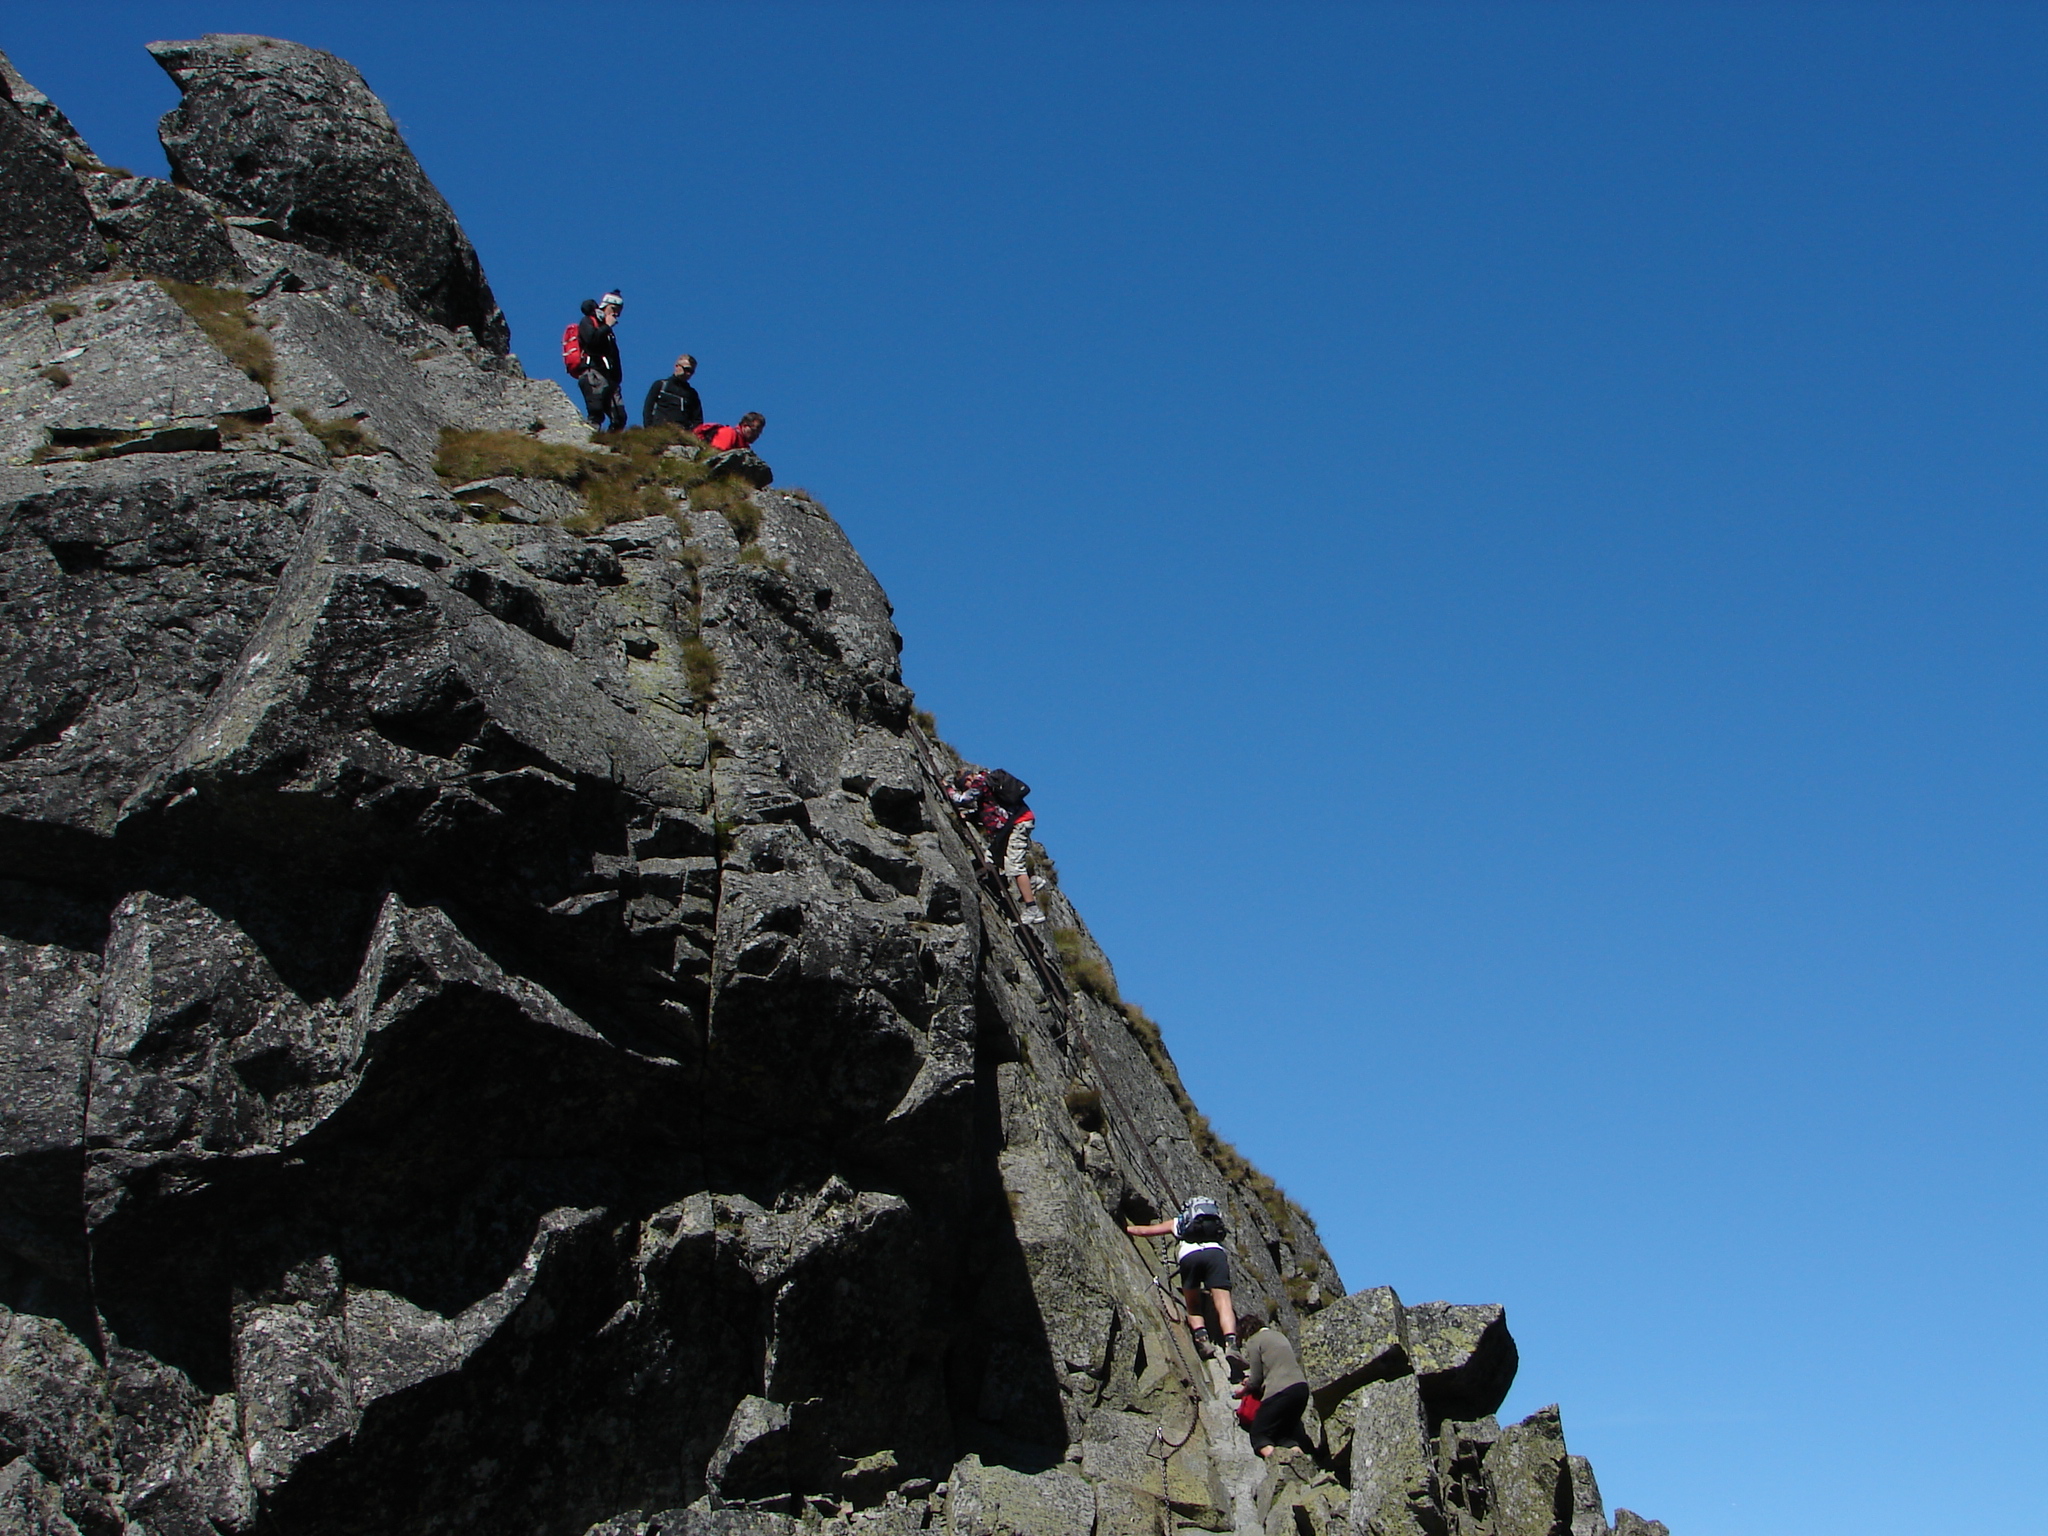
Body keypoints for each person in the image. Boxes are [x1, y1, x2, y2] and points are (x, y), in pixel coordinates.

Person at [1124, 1196, 1240, 1364]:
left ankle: (1202, 1339)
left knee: (1193, 1304)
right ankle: (1231, 1343)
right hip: (1215, 1254)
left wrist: (1125, 1228)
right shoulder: (1215, 1220)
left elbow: (1145, 1231)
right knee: (1223, 1303)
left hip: (1189, 1256)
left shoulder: (1178, 1222)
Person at [946, 768, 1043, 923]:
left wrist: (947, 789)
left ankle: (1033, 910)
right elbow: (988, 809)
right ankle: (1032, 880)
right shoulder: (987, 783)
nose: (966, 787)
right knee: (992, 857)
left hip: (1017, 823)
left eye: (965, 784)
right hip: (1014, 824)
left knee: (1015, 865)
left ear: (968, 778)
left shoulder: (980, 782)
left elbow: (962, 799)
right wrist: (970, 817)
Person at [1230, 1308, 1310, 1458]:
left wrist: (1241, 1392)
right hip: (1301, 1389)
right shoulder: (1278, 1336)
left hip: (1280, 1392)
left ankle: (1279, 1468)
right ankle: (1302, 1465)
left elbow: (1255, 1380)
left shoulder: (1254, 1341)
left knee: (1258, 1434)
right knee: (1283, 1437)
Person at [575, 292, 626, 432]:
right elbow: (591, 342)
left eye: (619, 312)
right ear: (606, 306)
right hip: (593, 372)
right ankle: (589, 441)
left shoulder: (607, 331)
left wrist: (616, 379)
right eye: (614, 310)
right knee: (596, 412)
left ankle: (612, 445)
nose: (616, 315)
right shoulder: (588, 321)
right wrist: (607, 327)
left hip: (609, 379)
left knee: (619, 417)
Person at [643, 355, 703, 430]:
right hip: (659, 432)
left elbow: (697, 419)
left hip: (682, 436)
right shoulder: (660, 385)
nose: (688, 374)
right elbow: (648, 408)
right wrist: (649, 429)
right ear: (677, 366)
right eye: (687, 369)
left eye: (691, 372)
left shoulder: (692, 394)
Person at [694, 411, 765, 452]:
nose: (757, 435)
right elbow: (717, 453)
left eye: (759, 432)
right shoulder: (729, 433)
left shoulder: (745, 447)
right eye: (755, 430)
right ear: (744, 425)